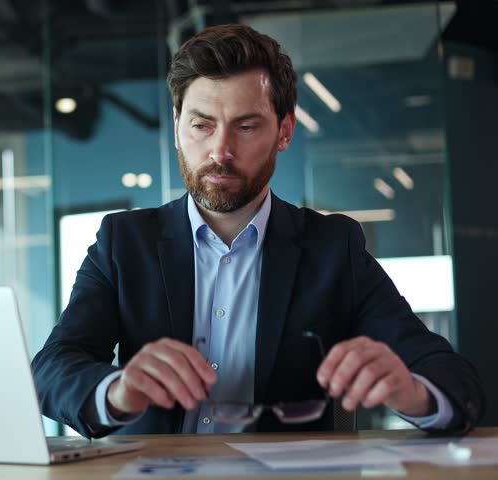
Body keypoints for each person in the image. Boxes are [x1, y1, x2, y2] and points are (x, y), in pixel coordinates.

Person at [31, 24, 484, 438]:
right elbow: (52, 370)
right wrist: (117, 391)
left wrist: (411, 391)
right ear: (175, 128)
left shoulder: (333, 248)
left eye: (246, 126)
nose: (220, 150)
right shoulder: (122, 242)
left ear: (285, 131)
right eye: (201, 125)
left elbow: (454, 380)